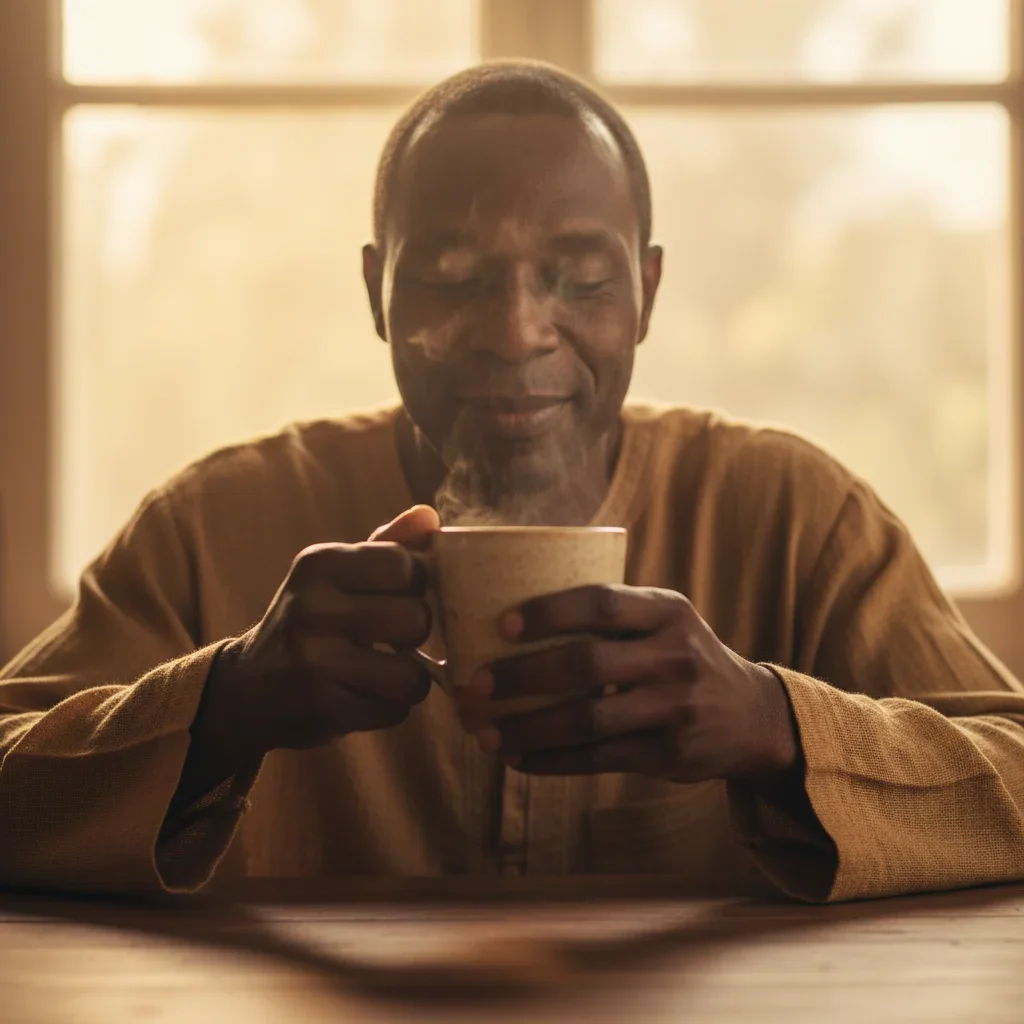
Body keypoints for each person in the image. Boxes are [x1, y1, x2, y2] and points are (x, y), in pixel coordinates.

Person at [2, 61, 1023, 903]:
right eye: (449, 277)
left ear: (649, 290)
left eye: (579, 279)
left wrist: (772, 726)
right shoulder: (213, 525)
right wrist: (225, 705)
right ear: (376, 290)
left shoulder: (796, 518)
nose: (514, 332)